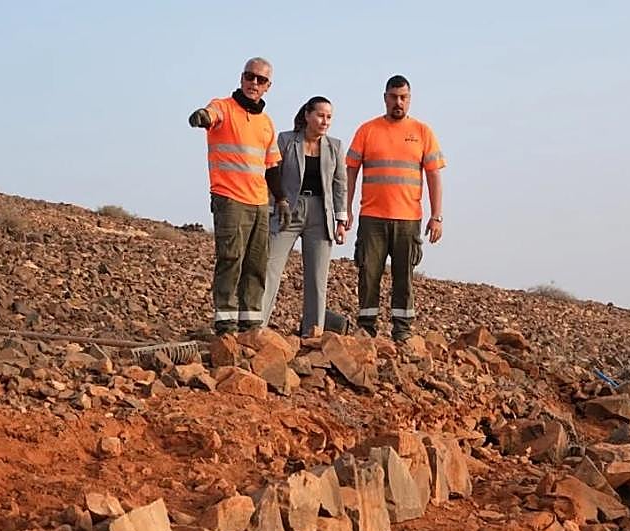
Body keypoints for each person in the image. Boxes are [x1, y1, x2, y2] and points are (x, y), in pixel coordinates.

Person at [188, 57, 286, 334]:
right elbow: (210, 114)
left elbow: (272, 166)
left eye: (261, 80)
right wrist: (202, 117)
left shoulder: (266, 123)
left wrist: (281, 199)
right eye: (249, 77)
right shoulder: (224, 107)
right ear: (242, 78)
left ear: (268, 86)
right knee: (231, 257)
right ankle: (226, 319)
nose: (254, 83)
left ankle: (250, 319)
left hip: (258, 202)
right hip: (229, 198)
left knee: (256, 262)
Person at [345, 75, 445, 341]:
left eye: (403, 97)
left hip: (408, 219)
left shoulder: (423, 132)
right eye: (393, 97)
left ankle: (402, 330)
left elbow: (434, 175)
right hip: (372, 218)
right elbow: (351, 171)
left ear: (409, 99)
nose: (398, 102)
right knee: (369, 273)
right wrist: (346, 210)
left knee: (404, 277)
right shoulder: (367, 130)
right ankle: (366, 327)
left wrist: (437, 217)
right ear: (385, 97)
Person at [262, 96, 350, 336]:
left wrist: (341, 221)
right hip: (287, 210)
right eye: (320, 115)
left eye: (329, 117)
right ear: (307, 115)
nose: (325, 121)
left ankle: (312, 332)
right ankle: (257, 326)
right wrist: (271, 208)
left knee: (317, 278)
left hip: (321, 213)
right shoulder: (286, 140)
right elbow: (272, 175)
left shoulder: (335, 146)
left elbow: (340, 185)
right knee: (270, 268)